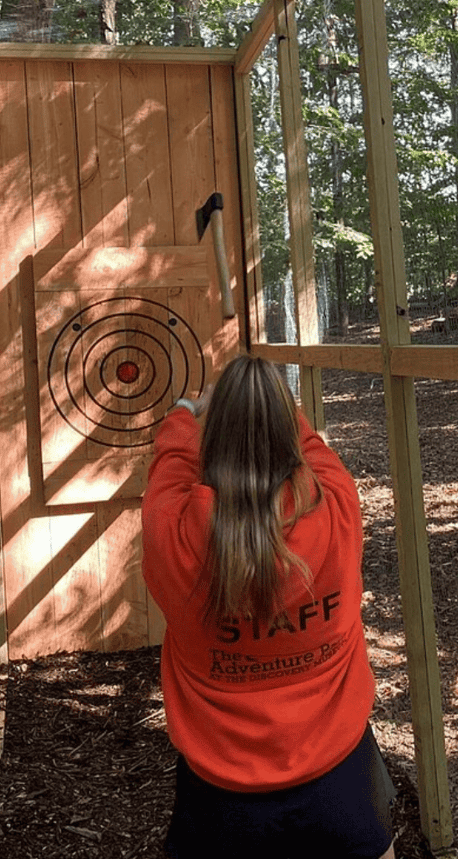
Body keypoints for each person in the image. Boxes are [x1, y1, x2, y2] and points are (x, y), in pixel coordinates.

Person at [141, 355, 396, 859]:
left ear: (212, 439)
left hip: (220, 795)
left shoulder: (168, 528)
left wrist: (185, 411)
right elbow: (309, 446)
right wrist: (268, 399)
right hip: (340, 779)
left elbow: (168, 466)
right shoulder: (338, 503)